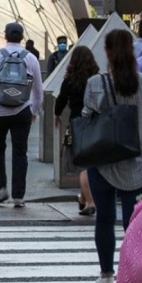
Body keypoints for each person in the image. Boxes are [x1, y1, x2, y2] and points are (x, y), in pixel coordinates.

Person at [82, 29, 142, 283]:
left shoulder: (96, 83)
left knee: (104, 219)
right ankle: (135, 274)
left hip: (103, 162)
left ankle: (106, 276)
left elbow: (86, 117)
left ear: (106, 52)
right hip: (136, 162)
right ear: (132, 51)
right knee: (134, 222)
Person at [0, 22, 44, 208]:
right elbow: (39, 89)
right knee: (20, 152)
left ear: (5, 35)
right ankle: (18, 196)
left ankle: (0, 189)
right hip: (22, 110)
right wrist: (34, 110)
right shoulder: (31, 58)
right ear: (22, 37)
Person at [54, 45, 99, 216]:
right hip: (94, 124)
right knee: (91, 163)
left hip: (75, 124)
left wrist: (57, 115)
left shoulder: (70, 80)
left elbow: (61, 100)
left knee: (81, 165)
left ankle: (89, 201)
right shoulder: (97, 78)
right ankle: (83, 197)